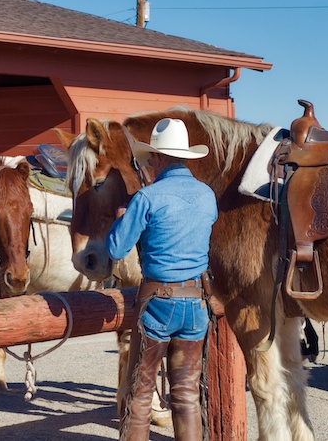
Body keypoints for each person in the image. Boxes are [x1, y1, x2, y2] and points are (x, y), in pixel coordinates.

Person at [106, 118, 218, 441]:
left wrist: (122, 220)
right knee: (186, 395)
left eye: (151, 159)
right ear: (184, 157)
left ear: (158, 158)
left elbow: (116, 247)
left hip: (157, 307)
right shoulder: (207, 196)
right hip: (197, 305)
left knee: (139, 395)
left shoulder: (148, 198)